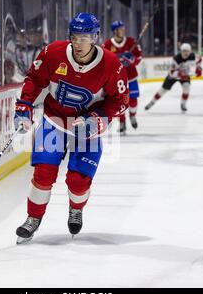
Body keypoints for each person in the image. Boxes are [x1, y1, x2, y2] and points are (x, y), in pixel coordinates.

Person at [13, 13, 129, 244]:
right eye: (74, 37)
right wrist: (24, 105)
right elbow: (35, 79)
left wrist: (96, 119)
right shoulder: (53, 53)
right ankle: (33, 218)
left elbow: (120, 101)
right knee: (43, 172)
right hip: (54, 119)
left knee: (78, 180)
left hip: (86, 128)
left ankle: (76, 208)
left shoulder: (111, 65)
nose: (78, 43)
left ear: (95, 37)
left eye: (84, 37)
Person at [102, 20, 142, 134]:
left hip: (131, 76)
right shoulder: (107, 45)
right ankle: (122, 122)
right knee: (119, 101)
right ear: (115, 31)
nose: (123, 30)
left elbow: (139, 57)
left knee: (133, 100)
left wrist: (132, 60)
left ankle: (132, 116)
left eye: (123, 28)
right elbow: (103, 61)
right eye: (121, 28)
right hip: (117, 79)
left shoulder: (131, 42)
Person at [145, 43, 202, 113]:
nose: (185, 53)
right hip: (174, 75)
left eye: (187, 51)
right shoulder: (176, 59)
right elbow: (171, 72)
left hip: (185, 74)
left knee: (186, 87)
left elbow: (199, 60)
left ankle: (183, 104)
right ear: (181, 51)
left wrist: (199, 68)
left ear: (190, 51)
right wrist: (179, 74)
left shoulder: (194, 56)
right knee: (163, 90)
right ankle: (152, 102)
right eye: (184, 51)